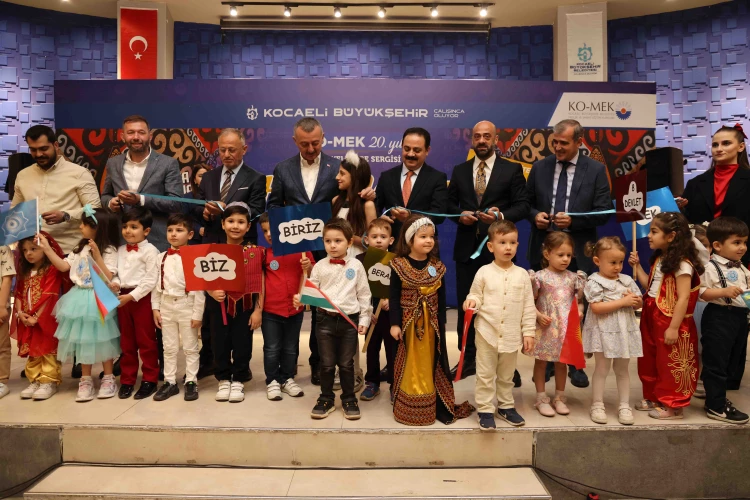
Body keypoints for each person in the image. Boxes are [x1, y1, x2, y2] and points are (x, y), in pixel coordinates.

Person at [268, 117, 375, 386]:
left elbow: (355, 191)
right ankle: (290, 367)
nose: (311, 148)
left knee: (328, 307)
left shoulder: (336, 167)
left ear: (323, 137)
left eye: (315, 143)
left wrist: (369, 194)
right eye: (304, 144)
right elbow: (274, 207)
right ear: (295, 141)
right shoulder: (282, 169)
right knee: (299, 305)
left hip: (331, 249)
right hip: (296, 251)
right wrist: (287, 229)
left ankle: (321, 365)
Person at [526, 119, 611, 389]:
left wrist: (574, 220)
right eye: (555, 142)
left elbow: (603, 211)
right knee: (545, 308)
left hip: (578, 250)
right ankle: (548, 361)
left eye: (564, 143)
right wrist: (534, 216)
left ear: (578, 142)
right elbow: (525, 203)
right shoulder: (539, 167)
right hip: (544, 248)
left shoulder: (595, 169)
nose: (558, 147)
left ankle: (575, 363)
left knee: (576, 309)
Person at [447, 120, 530, 381]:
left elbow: (523, 205)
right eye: (477, 136)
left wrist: (500, 216)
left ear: (496, 140)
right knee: (468, 305)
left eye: (486, 136)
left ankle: (506, 364)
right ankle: (468, 358)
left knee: (502, 307)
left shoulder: (512, 169)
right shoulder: (460, 170)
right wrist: (459, 215)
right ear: (472, 140)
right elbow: (448, 205)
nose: (481, 141)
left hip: (500, 253)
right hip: (466, 250)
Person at [389, 215, 475, 425]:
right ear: (410, 239)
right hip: (409, 325)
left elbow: (441, 297)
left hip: (431, 326)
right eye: (423, 236)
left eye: (432, 237)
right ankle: (409, 406)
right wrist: (395, 323)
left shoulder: (437, 266)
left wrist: (441, 322)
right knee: (410, 363)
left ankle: (432, 402)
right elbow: (394, 297)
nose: (429, 240)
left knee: (431, 362)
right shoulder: (398, 265)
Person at [293, 218, 371, 420]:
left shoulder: (357, 266)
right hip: (324, 320)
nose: (333, 245)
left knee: (346, 364)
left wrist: (364, 320)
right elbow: (312, 291)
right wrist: (301, 297)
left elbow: (364, 294)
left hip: (348, 321)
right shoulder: (319, 266)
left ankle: (349, 398)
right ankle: (326, 398)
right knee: (326, 363)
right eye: (328, 241)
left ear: (349, 242)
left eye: (338, 241)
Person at [41, 206, 121, 402]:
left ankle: (108, 378)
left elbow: (108, 276)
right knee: (83, 340)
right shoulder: (79, 248)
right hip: (79, 297)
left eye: (84, 224)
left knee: (103, 338)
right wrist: (47, 249)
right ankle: (85, 380)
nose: (80, 227)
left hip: (99, 296)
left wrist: (98, 255)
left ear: (97, 228)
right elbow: (63, 266)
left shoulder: (109, 250)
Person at [629, 212, 703, 420]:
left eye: (654, 231)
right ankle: (654, 396)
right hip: (652, 312)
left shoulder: (683, 264)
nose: (649, 236)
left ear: (671, 236)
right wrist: (637, 267)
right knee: (650, 358)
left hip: (671, 318)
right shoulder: (660, 259)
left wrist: (674, 327)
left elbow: (683, 297)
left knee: (670, 361)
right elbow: (650, 286)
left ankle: (674, 405)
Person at [464, 220, 535, 430]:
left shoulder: (522, 275)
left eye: (512, 242)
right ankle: (485, 408)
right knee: (485, 373)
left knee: (507, 375)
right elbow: (475, 294)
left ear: (517, 245)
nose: (508, 247)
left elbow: (528, 306)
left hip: (511, 335)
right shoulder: (484, 272)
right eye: (502, 242)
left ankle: (506, 406)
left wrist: (528, 332)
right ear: (490, 246)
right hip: (486, 331)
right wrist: (471, 302)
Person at [12, 125, 101, 255]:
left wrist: (66, 215)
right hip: (35, 254)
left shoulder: (79, 173)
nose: (38, 154)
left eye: (43, 149)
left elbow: (96, 209)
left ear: (56, 145)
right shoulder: (23, 175)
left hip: (70, 252)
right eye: (33, 150)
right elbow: (16, 211)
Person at [582, 237, 642, 426]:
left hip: (623, 332)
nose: (618, 267)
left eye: (620, 262)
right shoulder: (594, 281)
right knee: (602, 368)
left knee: (622, 370)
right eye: (613, 262)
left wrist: (635, 300)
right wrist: (623, 302)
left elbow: (638, 303)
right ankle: (597, 404)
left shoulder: (626, 280)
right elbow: (596, 308)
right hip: (603, 332)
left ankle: (624, 405)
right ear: (597, 261)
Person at [207, 202, 263, 403]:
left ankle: (239, 378)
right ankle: (223, 378)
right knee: (219, 343)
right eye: (230, 221)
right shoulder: (212, 250)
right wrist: (211, 292)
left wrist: (258, 311)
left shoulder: (256, 252)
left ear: (248, 226)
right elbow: (203, 278)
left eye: (241, 222)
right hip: (219, 305)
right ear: (223, 224)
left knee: (243, 343)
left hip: (245, 306)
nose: (235, 226)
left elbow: (260, 283)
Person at [101, 115, 183, 253]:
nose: (136, 137)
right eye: (131, 132)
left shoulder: (168, 163)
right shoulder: (113, 163)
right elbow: (105, 196)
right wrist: (111, 203)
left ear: (150, 136)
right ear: (122, 136)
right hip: (121, 240)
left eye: (141, 132)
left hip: (156, 240)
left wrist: (141, 199)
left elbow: (176, 202)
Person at [696, 217, 750, 424]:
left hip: (739, 317)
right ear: (717, 245)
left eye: (744, 242)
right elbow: (701, 293)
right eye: (737, 242)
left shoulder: (741, 267)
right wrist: (724, 292)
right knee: (716, 360)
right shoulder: (710, 267)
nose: (742, 247)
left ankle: (716, 395)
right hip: (719, 316)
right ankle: (716, 406)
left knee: (731, 359)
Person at [332, 150, 376, 392]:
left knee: (351, 321)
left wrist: (349, 238)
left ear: (355, 177)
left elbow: (374, 242)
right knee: (336, 320)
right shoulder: (335, 202)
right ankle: (340, 369)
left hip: (356, 266)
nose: (337, 178)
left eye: (342, 174)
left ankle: (355, 371)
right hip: (334, 267)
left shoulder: (367, 205)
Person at [529, 232, 586, 418]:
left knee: (562, 363)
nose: (565, 259)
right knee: (541, 362)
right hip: (546, 327)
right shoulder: (539, 277)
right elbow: (529, 301)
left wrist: (580, 310)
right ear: (547, 254)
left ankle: (559, 397)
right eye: (560, 255)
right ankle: (541, 397)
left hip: (565, 329)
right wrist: (538, 315)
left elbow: (579, 302)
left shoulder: (573, 278)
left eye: (569, 255)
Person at [259, 212, 314, 401]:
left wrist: (308, 267)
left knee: (291, 347)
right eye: (265, 231)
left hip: (295, 309)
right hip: (271, 310)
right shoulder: (264, 254)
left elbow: (313, 275)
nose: (269, 234)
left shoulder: (302, 251)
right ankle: (272, 380)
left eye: (272, 229)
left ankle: (287, 378)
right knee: (271, 348)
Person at [151, 214, 206, 402]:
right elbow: (156, 284)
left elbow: (199, 288)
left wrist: (197, 313)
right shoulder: (160, 257)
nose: (173, 234)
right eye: (170, 230)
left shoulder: (195, 257)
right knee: (169, 347)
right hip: (166, 305)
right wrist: (155, 308)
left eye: (179, 230)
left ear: (190, 234)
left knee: (190, 347)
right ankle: (170, 382)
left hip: (187, 304)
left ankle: (191, 381)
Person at [678, 124, 750, 265]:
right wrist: (679, 209)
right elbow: (688, 222)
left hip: (742, 257)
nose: (719, 149)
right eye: (715, 145)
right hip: (701, 257)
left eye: (726, 143)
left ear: (741, 147)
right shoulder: (695, 183)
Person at [109, 207, 159, 400]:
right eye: (125, 227)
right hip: (122, 298)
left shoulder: (151, 251)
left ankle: (150, 379)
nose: (128, 231)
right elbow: (116, 273)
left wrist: (132, 296)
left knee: (146, 341)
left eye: (133, 227)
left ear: (146, 231)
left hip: (141, 298)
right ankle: (127, 379)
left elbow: (150, 279)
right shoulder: (120, 250)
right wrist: (116, 283)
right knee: (126, 342)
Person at [12, 234, 65, 401]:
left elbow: (50, 294)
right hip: (27, 316)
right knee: (33, 349)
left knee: (47, 347)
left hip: (45, 317)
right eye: (25, 250)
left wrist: (37, 317)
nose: (29, 253)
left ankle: (49, 381)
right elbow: (18, 293)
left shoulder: (51, 270)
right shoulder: (25, 272)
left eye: (33, 249)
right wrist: (20, 313)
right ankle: (35, 379)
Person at [376, 128, 448, 244]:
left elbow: (439, 214)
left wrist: (410, 216)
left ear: (427, 150)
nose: (410, 154)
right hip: (391, 245)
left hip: (423, 246)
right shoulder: (387, 176)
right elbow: (376, 207)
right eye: (406, 149)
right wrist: (380, 218)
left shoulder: (437, 178)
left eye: (417, 150)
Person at [197, 129, 266, 245]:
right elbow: (196, 207)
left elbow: (257, 212)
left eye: (232, 150)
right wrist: (205, 212)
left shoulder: (256, 178)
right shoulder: (208, 176)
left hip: (242, 244)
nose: (226, 155)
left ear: (244, 150)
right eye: (222, 150)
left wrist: (227, 209)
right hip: (211, 242)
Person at [358, 218, 396, 402]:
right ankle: (372, 382)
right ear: (366, 239)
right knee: (371, 348)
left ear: (391, 240)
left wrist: (391, 300)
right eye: (374, 237)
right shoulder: (360, 261)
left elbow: (401, 288)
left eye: (383, 236)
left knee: (393, 350)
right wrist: (366, 311)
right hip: (370, 314)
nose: (379, 240)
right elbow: (357, 289)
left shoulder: (397, 261)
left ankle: (394, 383)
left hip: (391, 316)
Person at [0, 245, 16, 399]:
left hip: (0, 304)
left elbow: (7, 278)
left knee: (1, 345)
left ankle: (1, 381)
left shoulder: (3, 248)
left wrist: (1, 306)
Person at [186, 164, 210, 244]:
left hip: (214, 240)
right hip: (193, 241)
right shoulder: (187, 198)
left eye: (207, 176)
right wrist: (198, 229)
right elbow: (182, 220)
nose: (204, 179)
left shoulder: (217, 197)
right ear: (195, 180)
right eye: (200, 176)